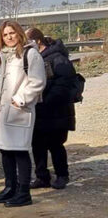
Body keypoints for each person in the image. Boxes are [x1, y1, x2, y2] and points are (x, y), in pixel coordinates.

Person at [0, 21, 46, 207]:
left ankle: (23, 192)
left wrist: (21, 98)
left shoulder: (30, 54)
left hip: (19, 109)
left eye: (12, 33)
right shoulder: (1, 56)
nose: (9, 37)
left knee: (19, 150)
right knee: (5, 150)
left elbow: (37, 81)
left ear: (19, 34)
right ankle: (9, 187)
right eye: (5, 34)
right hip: (1, 110)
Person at [26, 27, 77, 190]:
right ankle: (42, 176)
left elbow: (65, 83)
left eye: (27, 41)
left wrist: (46, 99)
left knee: (56, 144)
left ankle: (62, 175)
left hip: (57, 110)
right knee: (37, 144)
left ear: (38, 41)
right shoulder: (33, 58)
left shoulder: (58, 58)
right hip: (38, 109)